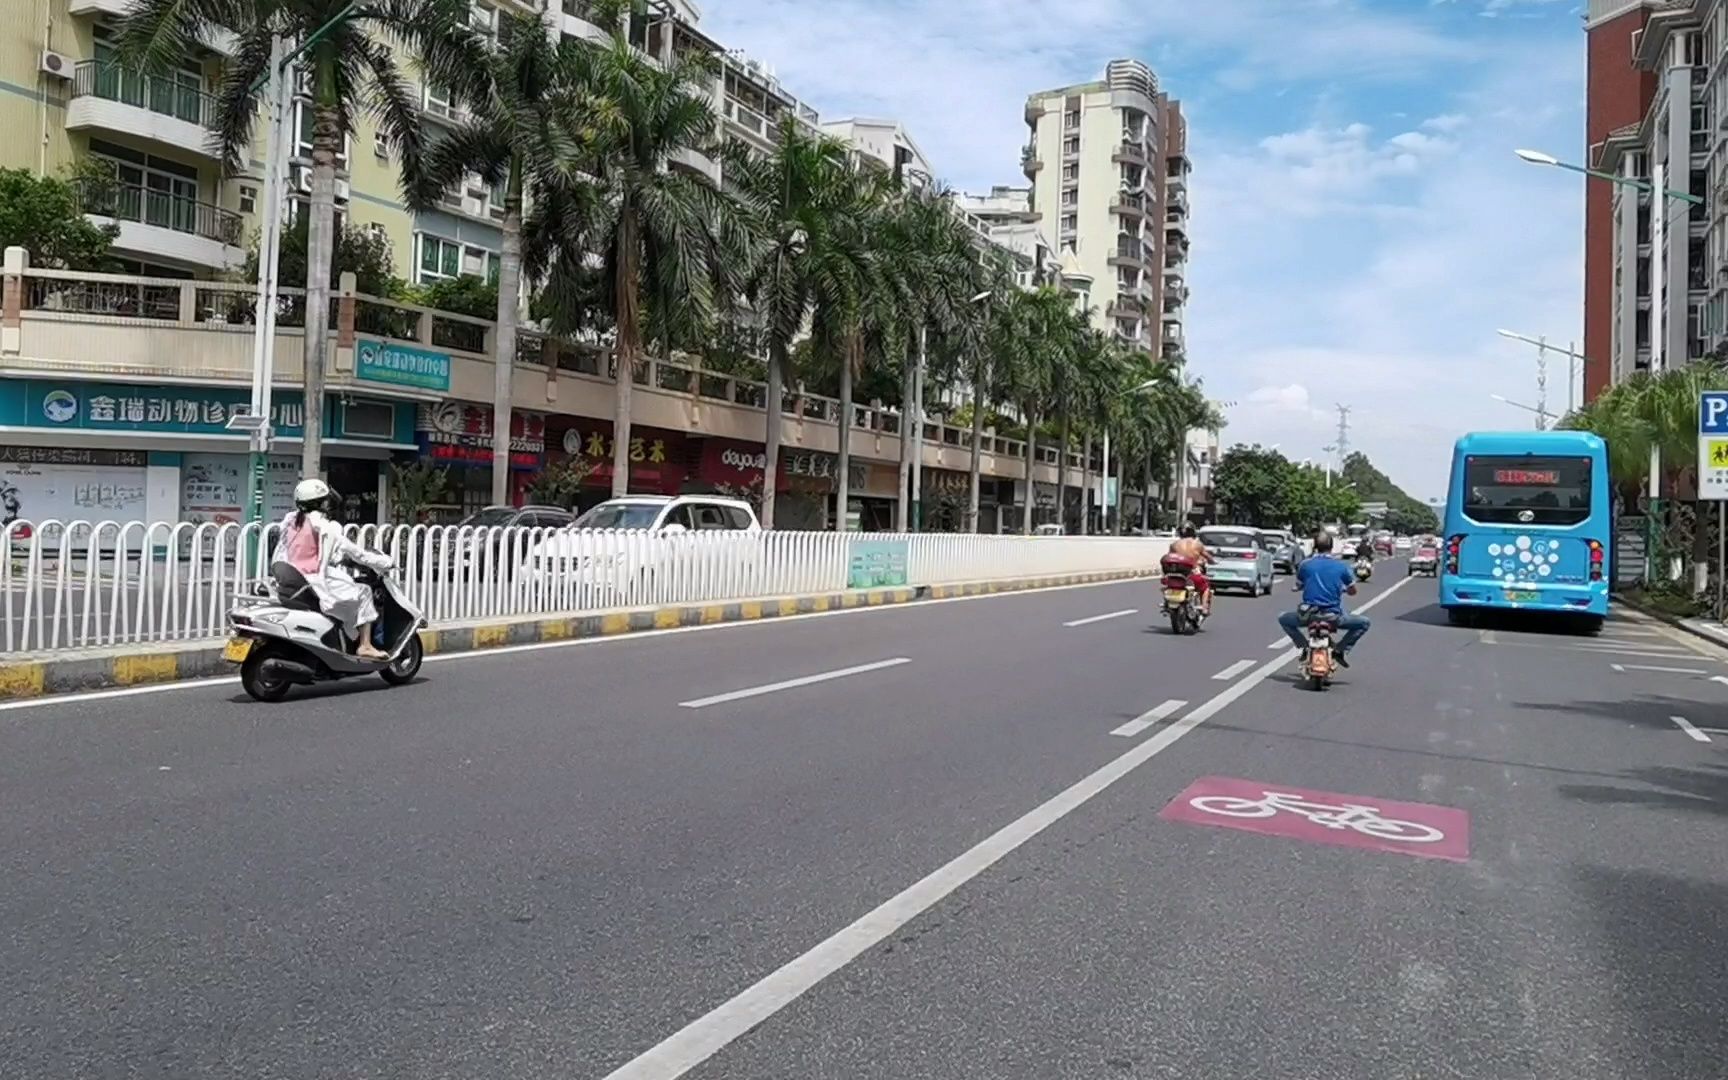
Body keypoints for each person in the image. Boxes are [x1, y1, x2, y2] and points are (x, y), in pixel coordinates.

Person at [272, 478, 394, 659]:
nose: (328, 504)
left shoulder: (290, 520)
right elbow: (358, 555)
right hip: (316, 581)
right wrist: (386, 563)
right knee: (365, 591)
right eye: (325, 500)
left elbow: (292, 549)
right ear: (319, 502)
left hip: (293, 579)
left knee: (348, 589)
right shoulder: (326, 526)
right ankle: (365, 645)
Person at [1278, 531, 1370, 666]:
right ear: (1332, 547)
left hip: (1308, 615)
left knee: (1283, 619)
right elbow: (1352, 591)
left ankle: (1303, 647)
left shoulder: (1305, 565)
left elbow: (1298, 585)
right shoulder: (1341, 567)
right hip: (1333, 616)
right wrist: (1344, 589)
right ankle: (1340, 650)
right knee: (1364, 623)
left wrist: (1300, 587)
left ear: (1315, 546)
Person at [1164, 523, 1213, 616]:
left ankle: (1167, 603)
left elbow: (1170, 557)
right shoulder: (1198, 544)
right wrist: (1214, 562)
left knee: (1168, 587)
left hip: (1175, 575)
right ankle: (1204, 608)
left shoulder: (1174, 545)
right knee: (1205, 588)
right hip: (1191, 575)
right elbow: (1208, 557)